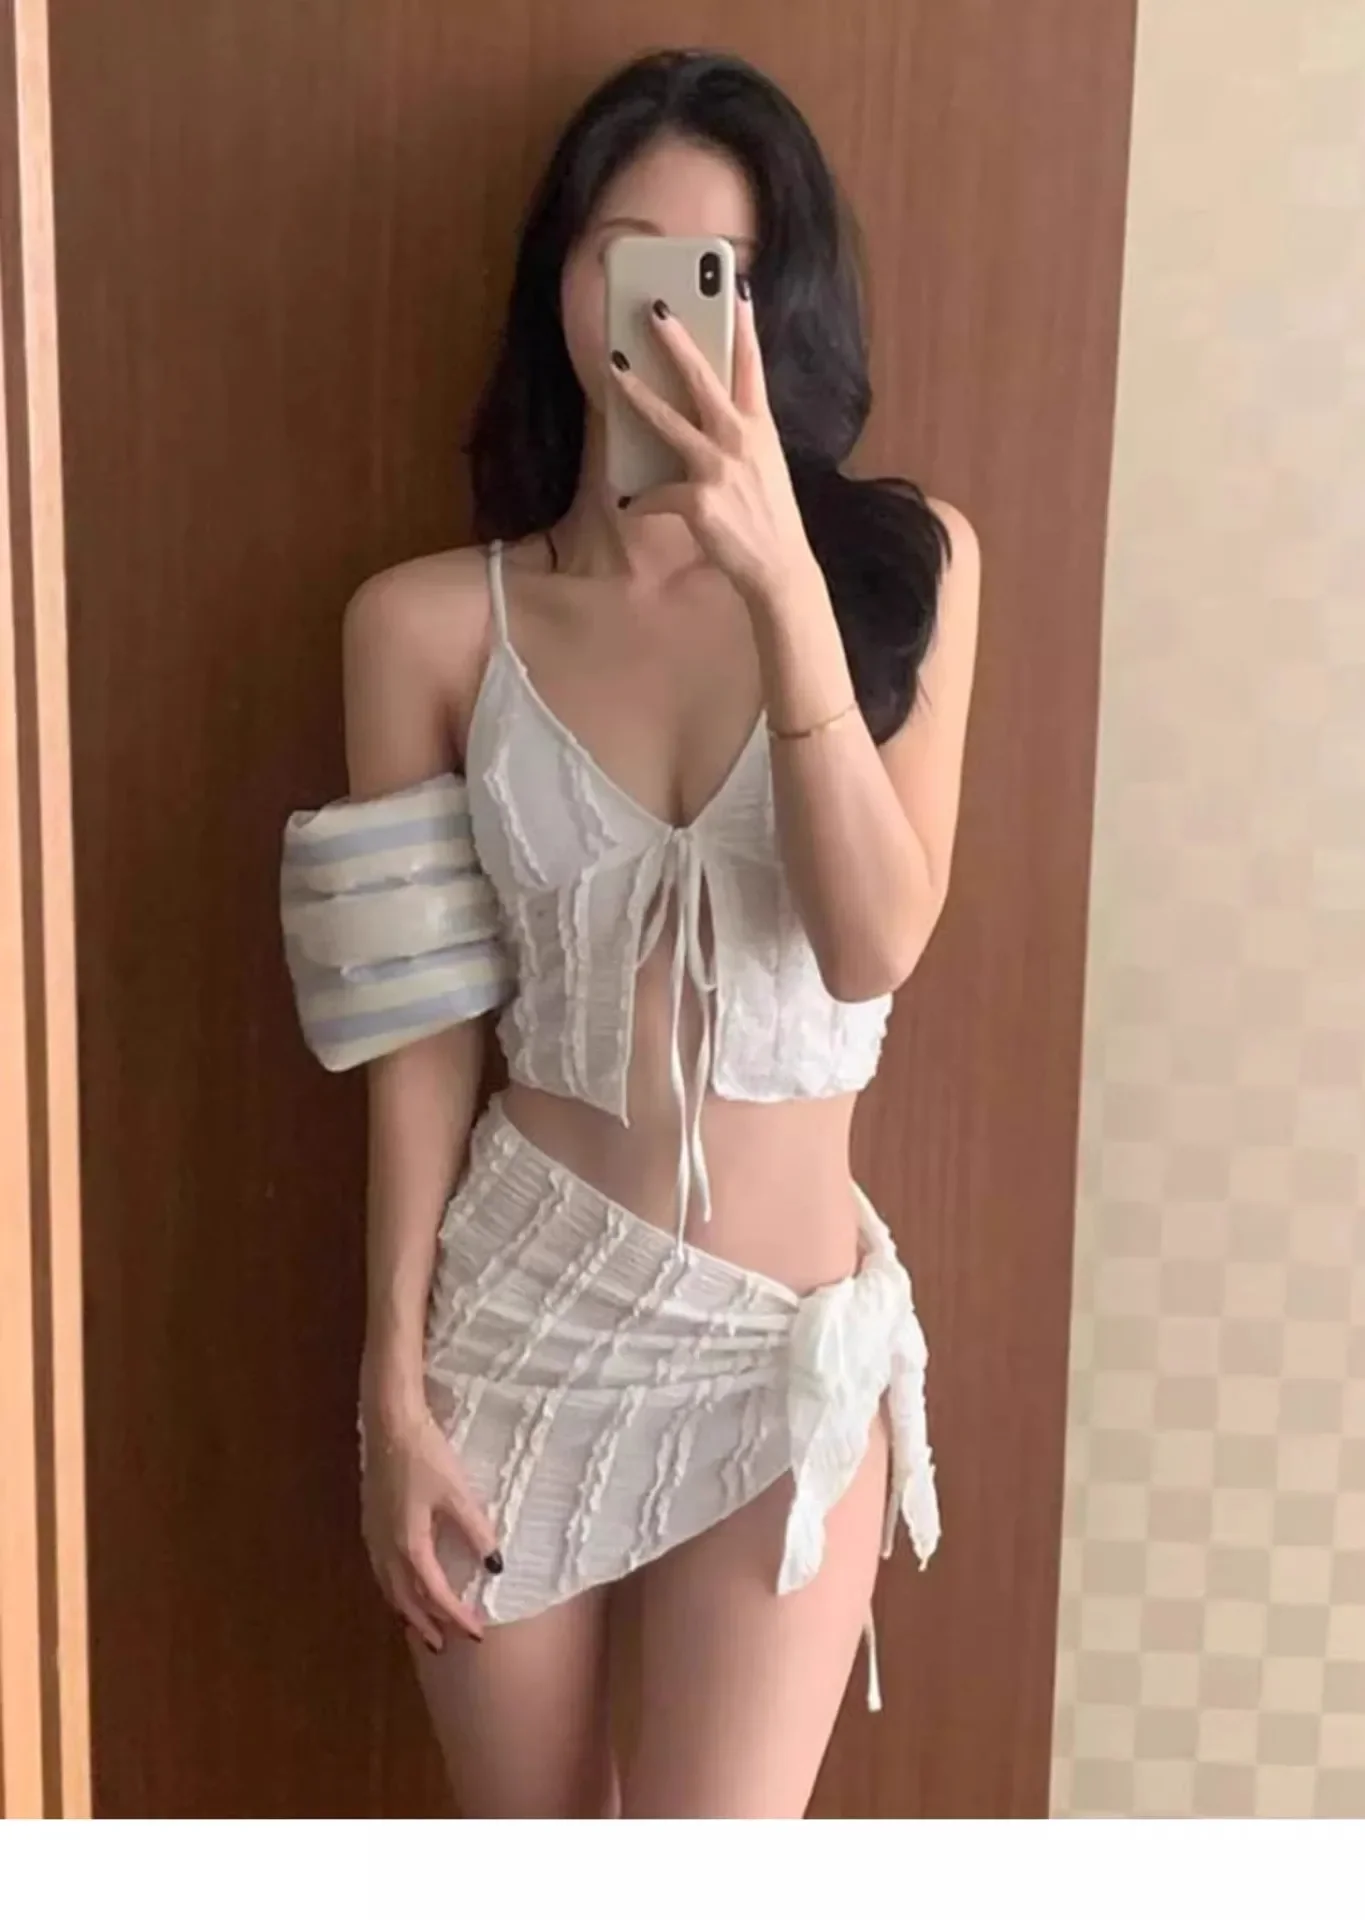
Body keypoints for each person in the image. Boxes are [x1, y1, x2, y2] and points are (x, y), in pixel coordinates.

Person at [281, 47, 979, 1818]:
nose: (665, 307)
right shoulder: (423, 628)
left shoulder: (906, 577)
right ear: (563, 281)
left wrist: (781, 579)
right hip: (516, 1320)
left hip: (777, 1353)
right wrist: (392, 1393)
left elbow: (874, 944)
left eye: (713, 266)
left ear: (773, 302)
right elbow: (418, 1042)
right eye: (625, 252)